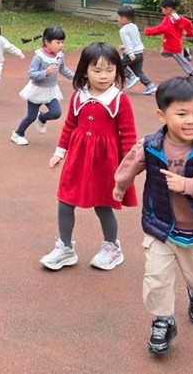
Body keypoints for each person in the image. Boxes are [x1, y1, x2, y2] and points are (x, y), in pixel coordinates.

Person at [112, 77, 193, 355]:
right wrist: (121, 184)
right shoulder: (151, 145)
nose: (191, 121)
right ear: (161, 115)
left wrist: (187, 185)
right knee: (156, 278)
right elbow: (131, 163)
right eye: (182, 114)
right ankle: (163, 320)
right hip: (160, 227)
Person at [41, 42, 138, 272]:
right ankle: (65, 247)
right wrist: (59, 152)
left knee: (103, 204)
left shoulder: (119, 99)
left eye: (110, 70)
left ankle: (112, 247)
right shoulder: (79, 96)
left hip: (105, 162)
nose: (104, 76)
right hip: (78, 157)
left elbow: (128, 136)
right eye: (97, 70)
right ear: (85, 71)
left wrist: (128, 169)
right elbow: (69, 126)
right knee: (65, 200)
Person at [11, 26, 75, 146]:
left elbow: (63, 69)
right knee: (31, 116)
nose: (61, 45)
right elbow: (31, 74)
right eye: (58, 42)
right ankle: (18, 134)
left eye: (62, 42)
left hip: (51, 90)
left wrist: (75, 77)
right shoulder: (39, 57)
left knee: (56, 113)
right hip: (36, 90)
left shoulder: (59, 56)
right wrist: (45, 72)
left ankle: (42, 117)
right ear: (47, 42)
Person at [144, 0, 193, 78]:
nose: (162, 10)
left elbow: (162, 28)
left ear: (168, 9)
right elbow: (188, 23)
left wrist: (148, 31)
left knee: (181, 60)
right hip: (172, 43)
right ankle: (185, 53)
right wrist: (189, 33)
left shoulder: (168, 18)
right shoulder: (178, 17)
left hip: (173, 45)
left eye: (162, 9)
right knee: (163, 52)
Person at [116, 6, 156, 95]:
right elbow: (135, 40)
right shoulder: (134, 26)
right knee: (138, 71)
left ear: (124, 18)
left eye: (119, 17)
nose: (117, 19)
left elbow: (127, 42)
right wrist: (124, 47)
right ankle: (150, 85)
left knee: (117, 64)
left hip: (132, 54)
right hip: (139, 53)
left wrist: (130, 53)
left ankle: (131, 76)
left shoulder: (123, 30)